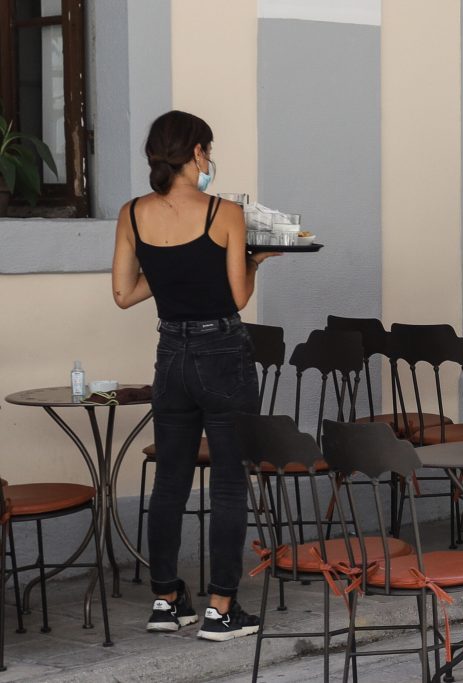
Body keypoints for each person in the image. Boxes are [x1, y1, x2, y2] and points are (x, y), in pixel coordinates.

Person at [111, 110, 278, 640]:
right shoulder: (224, 212)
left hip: (171, 356)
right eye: (209, 150)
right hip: (222, 351)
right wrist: (256, 260)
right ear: (198, 152)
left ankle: (165, 601)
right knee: (228, 483)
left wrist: (170, 275)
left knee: (170, 481)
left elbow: (123, 294)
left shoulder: (131, 213)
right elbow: (238, 296)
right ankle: (220, 608)